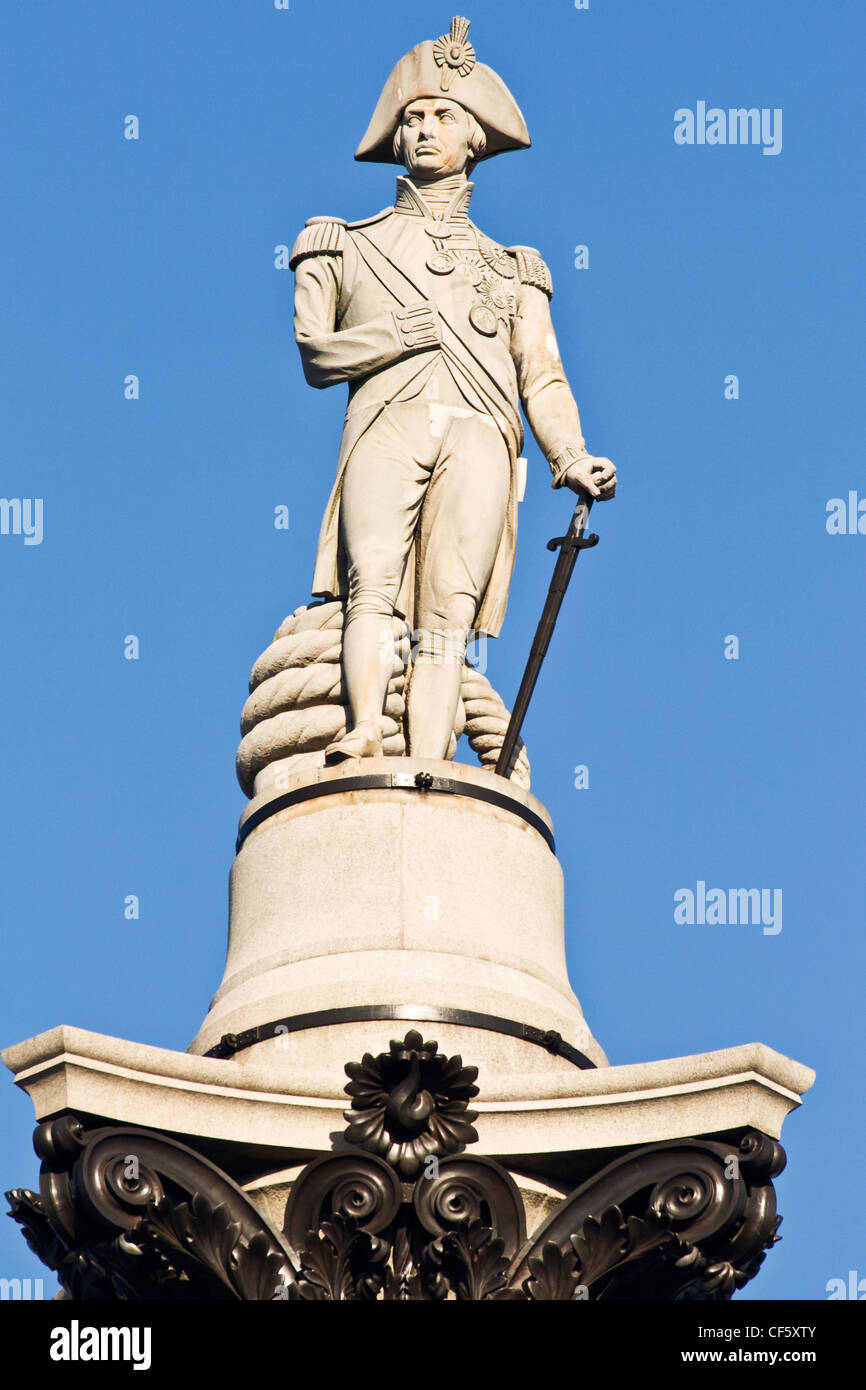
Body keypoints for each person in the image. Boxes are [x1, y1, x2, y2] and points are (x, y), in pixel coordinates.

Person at [290, 17, 616, 763]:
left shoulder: (513, 269)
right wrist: (399, 335)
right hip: (387, 421)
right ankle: (366, 726)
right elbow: (316, 354)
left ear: (476, 139)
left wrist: (571, 456)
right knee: (370, 581)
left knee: (448, 613)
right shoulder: (346, 242)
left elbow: (543, 375)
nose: (426, 129)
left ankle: (429, 757)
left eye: (444, 116)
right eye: (414, 118)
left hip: (481, 433)